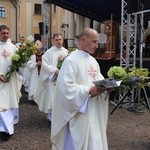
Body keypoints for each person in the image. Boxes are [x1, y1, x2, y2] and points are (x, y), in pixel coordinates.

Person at [51, 28, 109, 150]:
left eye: (97, 42)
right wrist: (87, 91)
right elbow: (65, 88)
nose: (96, 46)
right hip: (79, 111)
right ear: (83, 39)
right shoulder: (71, 60)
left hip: (94, 109)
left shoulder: (93, 61)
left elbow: (99, 80)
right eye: (93, 42)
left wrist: (108, 87)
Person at [34, 33, 68, 121]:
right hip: (53, 78)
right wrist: (55, 70)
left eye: (60, 39)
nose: (58, 41)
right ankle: (52, 118)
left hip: (63, 78)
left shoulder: (66, 52)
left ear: (63, 40)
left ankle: (61, 116)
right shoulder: (49, 52)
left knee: (62, 96)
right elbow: (45, 65)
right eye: (56, 40)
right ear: (53, 41)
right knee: (52, 97)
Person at [0, 25, 22, 141]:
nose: (6, 35)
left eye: (7, 33)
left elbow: (18, 62)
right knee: (2, 105)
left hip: (10, 80)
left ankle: (7, 129)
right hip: (0, 80)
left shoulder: (13, 47)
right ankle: (5, 130)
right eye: (3, 33)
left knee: (8, 103)